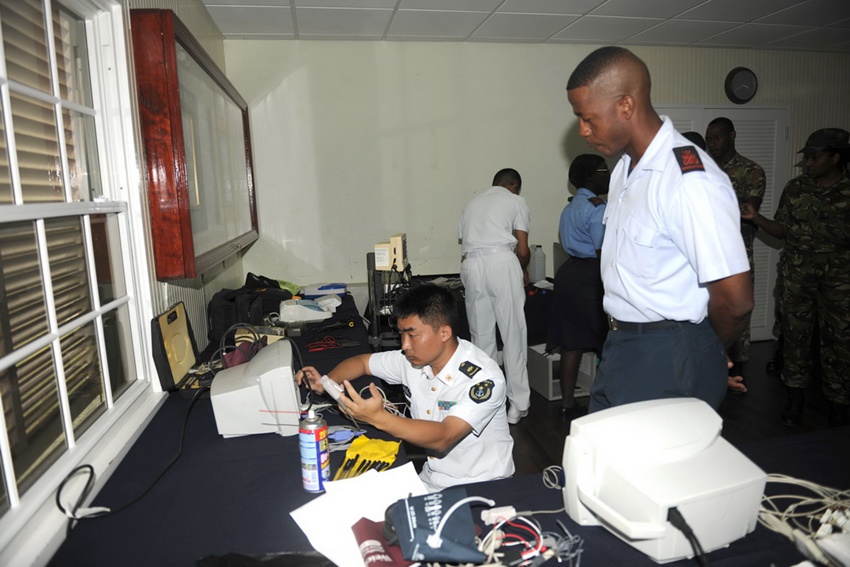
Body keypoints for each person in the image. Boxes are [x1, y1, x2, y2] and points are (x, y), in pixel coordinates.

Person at [565, 46, 753, 413]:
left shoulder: (688, 179)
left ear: (625, 106)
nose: (582, 130)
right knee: (603, 459)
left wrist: (704, 353)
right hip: (622, 342)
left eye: (587, 118)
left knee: (651, 467)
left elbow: (736, 298)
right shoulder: (624, 168)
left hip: (666, 349)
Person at [296, 284, 515, 491]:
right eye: (401, 334)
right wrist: (327, 382)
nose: (404, 345)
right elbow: (362, 362)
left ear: (444, 333)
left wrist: (377, 418)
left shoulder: (483, 379)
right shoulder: (412, 360)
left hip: (483, 485)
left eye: (412, 335)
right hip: (432, 479)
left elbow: (443, 437)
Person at [741, 128, 850, 428]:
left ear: (836, 158)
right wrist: (756, 218)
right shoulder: (796, 189)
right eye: (808, 158)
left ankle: (839, 403)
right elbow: (782, 230)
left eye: (815, 158)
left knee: (840, 341)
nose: (809, 164)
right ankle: (795, 401)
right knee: (796, 339)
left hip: (840, 281)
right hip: (797, 277)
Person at [459, 168, 531, 424]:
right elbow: (522, 248)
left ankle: (487, 403)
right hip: (501, 262)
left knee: (482, 337)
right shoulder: (515, 201)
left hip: (472, 265)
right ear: (513, 186)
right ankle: (518, 405)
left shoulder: (471, 204)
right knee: (513, 332)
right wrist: (523, 270)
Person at [546, 154, 609, 421]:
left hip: (568, 273)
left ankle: (567, 404)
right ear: (589, 177)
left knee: (572, 344)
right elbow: (603, 252)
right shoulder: (596, 208)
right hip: (591, 277)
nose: (608, 174)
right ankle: (608, 407)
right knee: (608, 342)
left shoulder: (570, 207)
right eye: (603, 170)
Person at [706, 117, 767, 381]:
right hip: (705, 250)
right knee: (708, 309)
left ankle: (738, 367)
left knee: (737, 306)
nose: (712, 143)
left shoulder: (750, 171)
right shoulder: (702, 168)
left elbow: (747, 212)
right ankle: (710, 362)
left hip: (737, 251)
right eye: (709, 139)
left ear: (732, 135)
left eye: (717, 137)